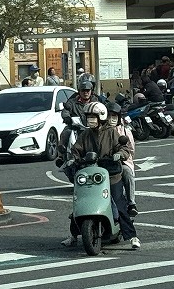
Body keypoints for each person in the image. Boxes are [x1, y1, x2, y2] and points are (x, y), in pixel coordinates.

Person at [64, 102, 139, 249]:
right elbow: (76, 149)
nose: (90, 120)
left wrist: (119, 155)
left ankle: (132, 237)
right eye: (88, 117)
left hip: (111, 174)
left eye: (93, 117)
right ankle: (73, 235)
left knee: (119, 203)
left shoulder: (112, 132)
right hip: (91, 174)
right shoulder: (85, 134)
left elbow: (123, 148)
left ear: (101, 117)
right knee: (80, 202)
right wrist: (73, 158)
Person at [56, 74, 99, 167]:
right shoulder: (72, 101)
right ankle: (61, 156)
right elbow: (66, 110)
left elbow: (103, 109)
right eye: (83, 90)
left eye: (87, 90)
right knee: (66, 132)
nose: (85, 93)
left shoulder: (97, 100)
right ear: (79, 91)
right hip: (77, 126)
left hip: (93, 126)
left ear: (91, 90)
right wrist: (67, 117)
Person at [107, 101, 137, 217]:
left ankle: (131, 203)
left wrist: (121, 155)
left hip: (120, 163)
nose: (111, 119)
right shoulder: (99, 130)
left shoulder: (125, 131)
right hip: (101, 163)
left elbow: (131, 150)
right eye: (109, 115)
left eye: (114, 116)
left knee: (127, 172)